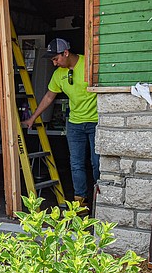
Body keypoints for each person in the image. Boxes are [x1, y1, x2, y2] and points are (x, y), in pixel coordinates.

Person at [21, 38, 99, 209]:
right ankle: (81, 203)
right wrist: (33, 117)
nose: (54, 64)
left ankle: (101, 198)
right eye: (52, 61)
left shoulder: (90, 64)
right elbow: (49, 96)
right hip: (74, 123)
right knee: (76, 163)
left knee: (96, 162)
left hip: (96, 122)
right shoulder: (58, 74)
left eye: (56, 59)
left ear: (66, 53)